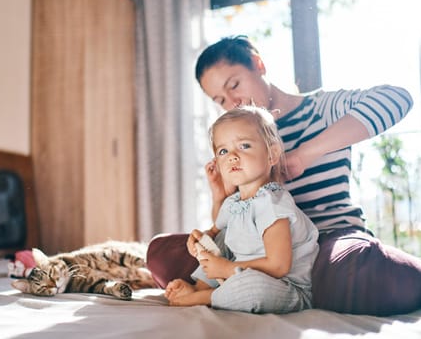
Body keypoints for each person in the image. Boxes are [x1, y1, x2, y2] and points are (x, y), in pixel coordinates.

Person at [146, 35, 421, 316]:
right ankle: (260, 289)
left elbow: (396, 99)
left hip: (326, 238)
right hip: (254, 252)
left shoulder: (322, 109)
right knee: (160, 253)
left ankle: (294, 287)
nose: (233, 102)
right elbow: (228, 227)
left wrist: (304, 155)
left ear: (258, 64)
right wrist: (219, 196)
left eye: (234, 85)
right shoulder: (233, 139)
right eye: (220, 99)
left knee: (363, 270)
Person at [165, 106, 319, 313]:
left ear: (272, 154)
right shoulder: (233, 202)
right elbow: (215, 233)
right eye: (223, 151)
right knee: (223, 237)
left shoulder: (272, 203)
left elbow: (279, 266)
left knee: (253, 289)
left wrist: (227, 269)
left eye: (244, 145)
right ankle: (198, 287)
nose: (232, 156)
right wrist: (200, 239)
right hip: (239, 272)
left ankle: (205, 297)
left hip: (283, 286)